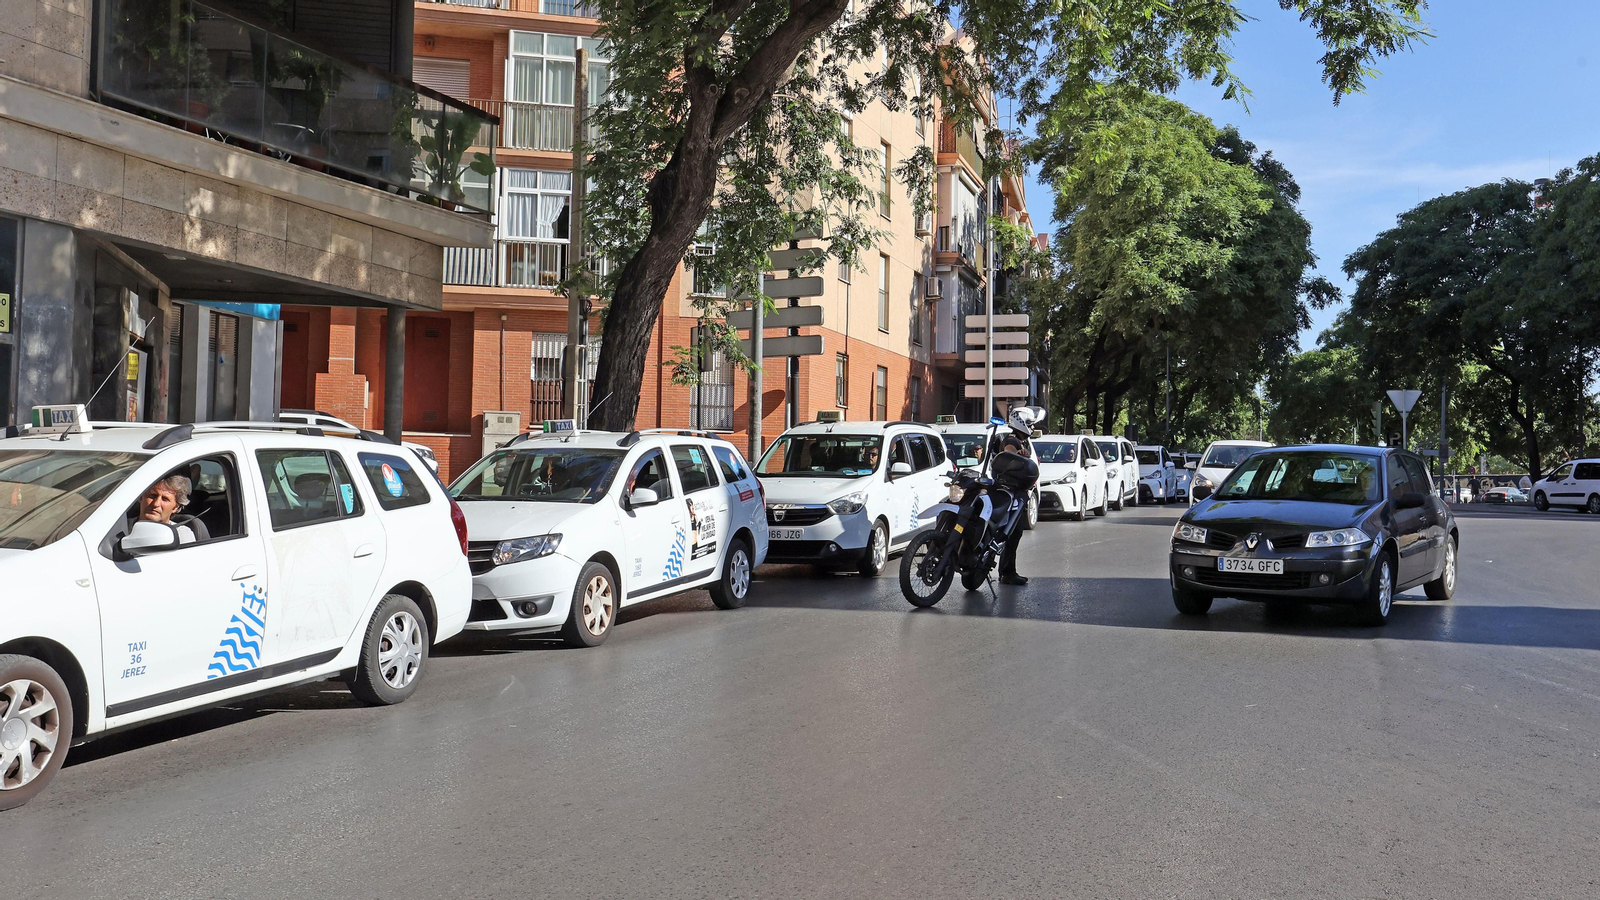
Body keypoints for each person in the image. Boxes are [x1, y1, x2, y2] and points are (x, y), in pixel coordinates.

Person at [988, 407, 1043, 586]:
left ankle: (1007, 570)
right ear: (1022, 424)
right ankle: (1007, 572)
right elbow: (1009, 451)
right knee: (1011, 531)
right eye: (1030, 424)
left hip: (1017, 494)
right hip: (1009, 494)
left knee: (1014, 532)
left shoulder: (1022, 441)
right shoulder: (1012, 440)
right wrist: (1017, 455)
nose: (1033, 427)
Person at [136, 474, 200, 544]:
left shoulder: (180, 535)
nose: (156, 504)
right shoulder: (123, 526)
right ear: (140, 497)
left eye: (165, 499)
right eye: (153, 496)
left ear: (176, 507)